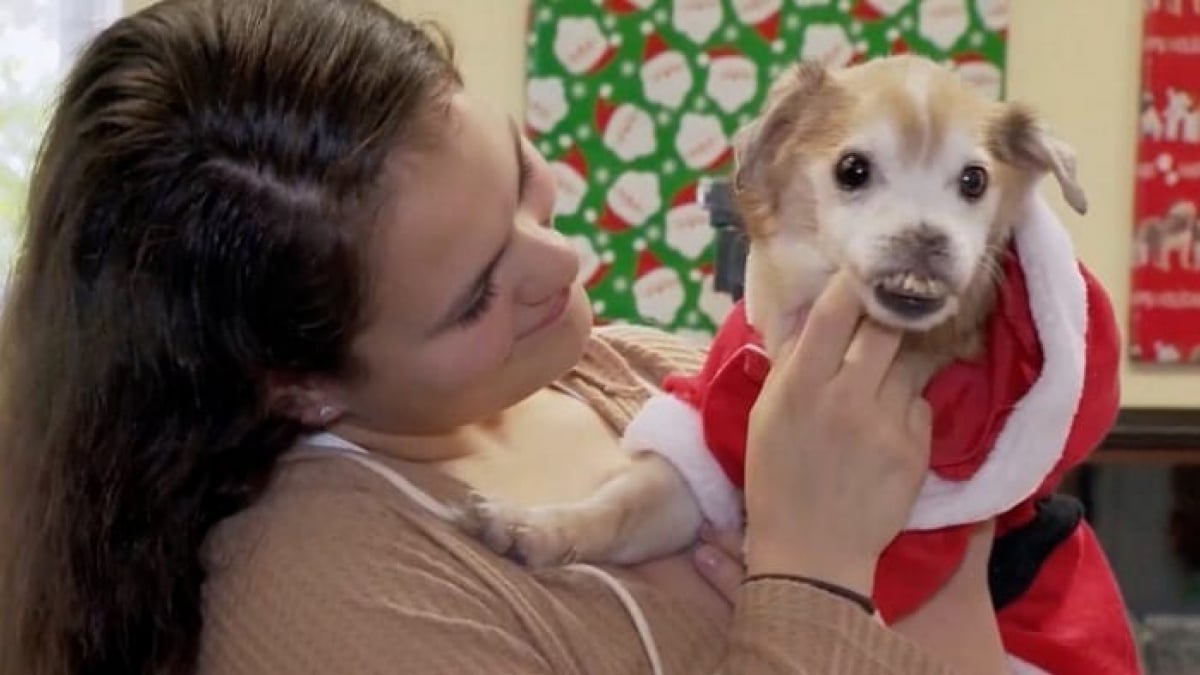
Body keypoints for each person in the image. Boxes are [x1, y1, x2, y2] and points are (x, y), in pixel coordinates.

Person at [0, 1, 1009, 673]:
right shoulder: (338, 609)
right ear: (300, 383)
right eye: (480, 292)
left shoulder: (622, 370)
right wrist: (813, 571)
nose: (564, 264)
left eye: (523, 178)